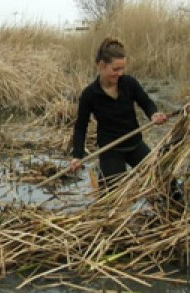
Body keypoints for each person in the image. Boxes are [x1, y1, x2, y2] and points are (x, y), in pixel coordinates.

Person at [70, 38, 168, 188]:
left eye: (123, 69)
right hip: (110, 149)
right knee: (113, 195)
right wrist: (77, 155)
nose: (120, 73)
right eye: (115, 69)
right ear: (102, 65)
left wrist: (153, 114)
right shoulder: (90, 94)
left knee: (164, 178)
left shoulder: (129, 83)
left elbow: (146, 102)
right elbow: (81, 126)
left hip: (135, 144)